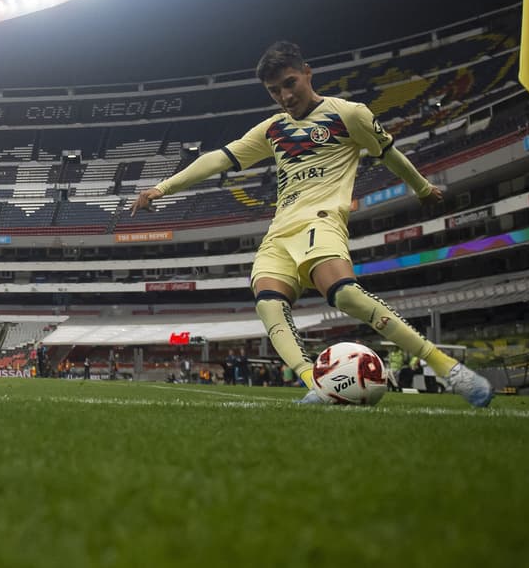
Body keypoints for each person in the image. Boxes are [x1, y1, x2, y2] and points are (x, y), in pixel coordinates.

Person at [130, 41, 492, 408]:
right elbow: (219, 159)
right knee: (268, 304)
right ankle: (315, 385)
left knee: (345, 295)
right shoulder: (273, 129)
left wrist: (421, 187)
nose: (285, 96)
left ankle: (450, 369)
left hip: (320, 221)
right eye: (275, 91)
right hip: (278, 232)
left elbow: (388, 153)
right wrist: (162, 187)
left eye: (290, 84)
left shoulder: (349, 114)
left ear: (307, 73)